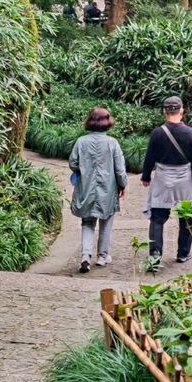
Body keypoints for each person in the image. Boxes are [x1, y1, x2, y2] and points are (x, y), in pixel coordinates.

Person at [141, 97, 192, 265]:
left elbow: (150, 157)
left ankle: (155, 256)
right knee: (186, 216)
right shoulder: (190, 133)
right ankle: (183, 254)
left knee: (157, 216)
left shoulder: (157, 133)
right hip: (184, 179)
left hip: (162, 178)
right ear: (181, 110)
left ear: (164, 111)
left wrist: (146, 176)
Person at [69, 107, 127, 273]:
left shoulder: (81, 142)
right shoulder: (112, 143)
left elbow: (73, 163)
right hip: (107, 189)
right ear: (107, 122)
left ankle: (85, 256)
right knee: (106, 220)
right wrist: (122, 184)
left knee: (87, 222)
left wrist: (83, 170)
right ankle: (102, 256)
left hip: (86, 188)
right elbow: (120, 169)